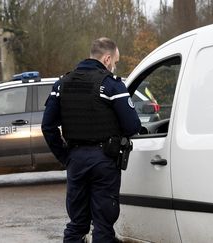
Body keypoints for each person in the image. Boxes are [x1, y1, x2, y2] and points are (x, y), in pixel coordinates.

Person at [41, 37, 141, 242]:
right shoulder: (112, 85)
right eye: (115, 61)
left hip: (75, 160)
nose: (114, 65)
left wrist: (66, 157)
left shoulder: (62, 84)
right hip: (104, 161)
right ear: (106, 58)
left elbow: (47, 126)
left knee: (77, 224)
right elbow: (132, 126)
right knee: (103, 226)